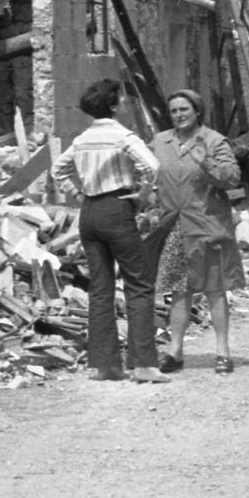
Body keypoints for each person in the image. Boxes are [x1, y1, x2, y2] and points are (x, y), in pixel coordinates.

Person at [54, 78, 167, 383]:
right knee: (139, 283)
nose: (126, 103)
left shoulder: (81, 139)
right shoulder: (122, 135)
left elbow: (57, 170)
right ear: (114, 105)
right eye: (122, 99)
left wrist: (78, 195)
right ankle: (143, 363)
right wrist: (144, 193)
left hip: (89, 212)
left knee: (100, 289)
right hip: (117, 208)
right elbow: (152, 166)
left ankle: (105, 365)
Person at [147, 88, 245, 374]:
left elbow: (232, 179)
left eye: (184, 110)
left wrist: (207, 162)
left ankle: (223, 353)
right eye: (174, 110)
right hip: (174, 226)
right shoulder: (160, 142)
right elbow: (147, 174)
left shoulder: (214, 141)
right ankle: (175, 352)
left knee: (215, 290)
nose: (178, 115)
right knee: (179, 292)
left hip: (207, 226)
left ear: (197, 111)